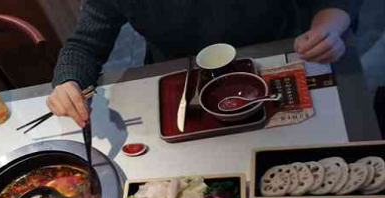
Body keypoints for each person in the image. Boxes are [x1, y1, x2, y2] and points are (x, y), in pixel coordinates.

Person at [47, 0, 360, 127]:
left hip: (275, 57)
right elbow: (84, 44)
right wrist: (67, 82)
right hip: (181, 76)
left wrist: (328, 27)